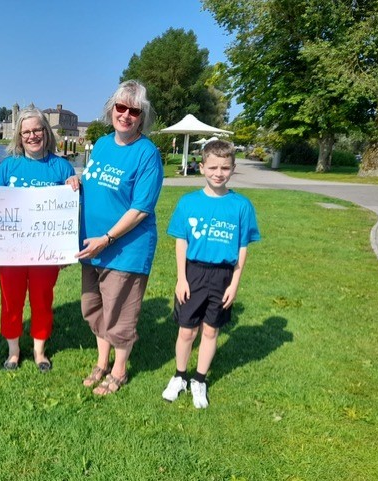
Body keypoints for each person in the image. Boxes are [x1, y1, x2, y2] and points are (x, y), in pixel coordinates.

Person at [71, 80, 164, 395]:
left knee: (120, 314)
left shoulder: (147, 154)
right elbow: (96, 182)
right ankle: (102, 362)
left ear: (141, 116)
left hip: (125, 250)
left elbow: (140, 209)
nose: (125, 115)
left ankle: (120, 370)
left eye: (133, 110)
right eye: (120, 108)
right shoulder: (102, 144)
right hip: (91, 246)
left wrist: (107, 238)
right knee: (93, 307)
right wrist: (78, 180)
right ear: (111, 109)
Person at [162, 139, 260, 408]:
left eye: (225, 168)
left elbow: (242, 248)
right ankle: (180, 375)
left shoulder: (241, 206)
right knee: (186, 331)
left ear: (233, 169)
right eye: (213, 167)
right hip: (193, 273)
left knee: (210, 331)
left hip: (223, 276)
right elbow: (181, 241)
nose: (219, 173)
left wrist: (234, 284)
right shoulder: (188, 202)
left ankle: (199, 379)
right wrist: (181, 278)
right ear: (202, 167)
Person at [0, 107, 76, 372]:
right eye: (26, 131)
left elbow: (71, 212)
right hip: (12, 251)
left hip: (45, 252)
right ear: (19, 136)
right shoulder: (8, 167)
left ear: (46, 132)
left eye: (37, 130)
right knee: (11, 300)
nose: (32, 136)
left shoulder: (61, 166)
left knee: (42, 299)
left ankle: (40, 351)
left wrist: (74, 184)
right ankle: (13, 351)